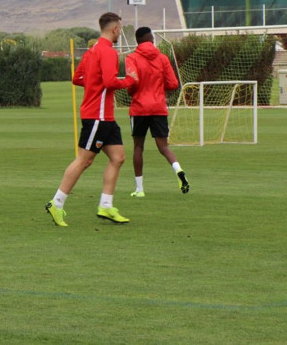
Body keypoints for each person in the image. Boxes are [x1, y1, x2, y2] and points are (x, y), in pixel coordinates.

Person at [45, 12, 137, 226]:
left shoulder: (92, 50)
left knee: (118, 157)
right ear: (114, 29)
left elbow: (77, 78)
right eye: (120, 29)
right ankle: (56, 203)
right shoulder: (108, 52)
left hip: (104, 115)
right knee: (84, 160)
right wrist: (130, 82)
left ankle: (106, 205)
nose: (120, 32)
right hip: (98, 115)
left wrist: (94, 84)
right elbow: (109, 81)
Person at [124, 27, 189, 197]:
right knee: (164, 147)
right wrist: (159, 87)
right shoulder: (162, 58)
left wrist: (133, 91)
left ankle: (139, 189)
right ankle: (178, 170)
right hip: (159, 107)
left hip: (139, 108)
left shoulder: (131, 58)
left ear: (137, 41)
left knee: (138, 146)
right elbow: (173, 83)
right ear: (152, 39)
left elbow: (131, 82)